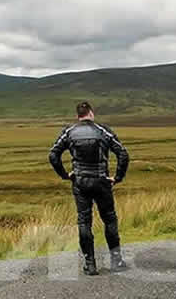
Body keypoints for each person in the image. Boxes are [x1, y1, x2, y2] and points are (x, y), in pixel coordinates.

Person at [48, 101, 130, 276]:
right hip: (101, 181)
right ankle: (116, 261)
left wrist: (65, 175)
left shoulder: (69, 132)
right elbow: (123, 153)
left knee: (84, 221)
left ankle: (90, 264)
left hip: (80, 182)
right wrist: (117, 178)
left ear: (78, 116)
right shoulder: (103, 130)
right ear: (91, 113)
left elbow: (53, 154)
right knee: (109, 220)